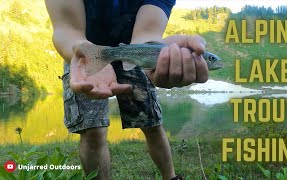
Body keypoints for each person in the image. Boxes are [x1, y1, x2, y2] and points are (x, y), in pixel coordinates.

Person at [45, 0, 209, 179]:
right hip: (82, 52)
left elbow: (146, 34)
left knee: (151, 123)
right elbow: (67, 29)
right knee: (93, 131)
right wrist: (82, 52)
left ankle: (171, 178)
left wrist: (152, 54)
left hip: (135, 54)